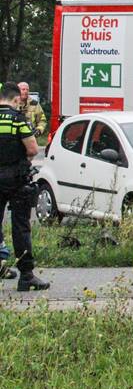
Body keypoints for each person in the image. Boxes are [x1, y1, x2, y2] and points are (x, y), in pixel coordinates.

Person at [0, 81, 48, 290]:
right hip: (16, 179)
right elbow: (32, 149)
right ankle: (26, 275)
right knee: (20, 227)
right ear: (16, 99)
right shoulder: (18, 120)